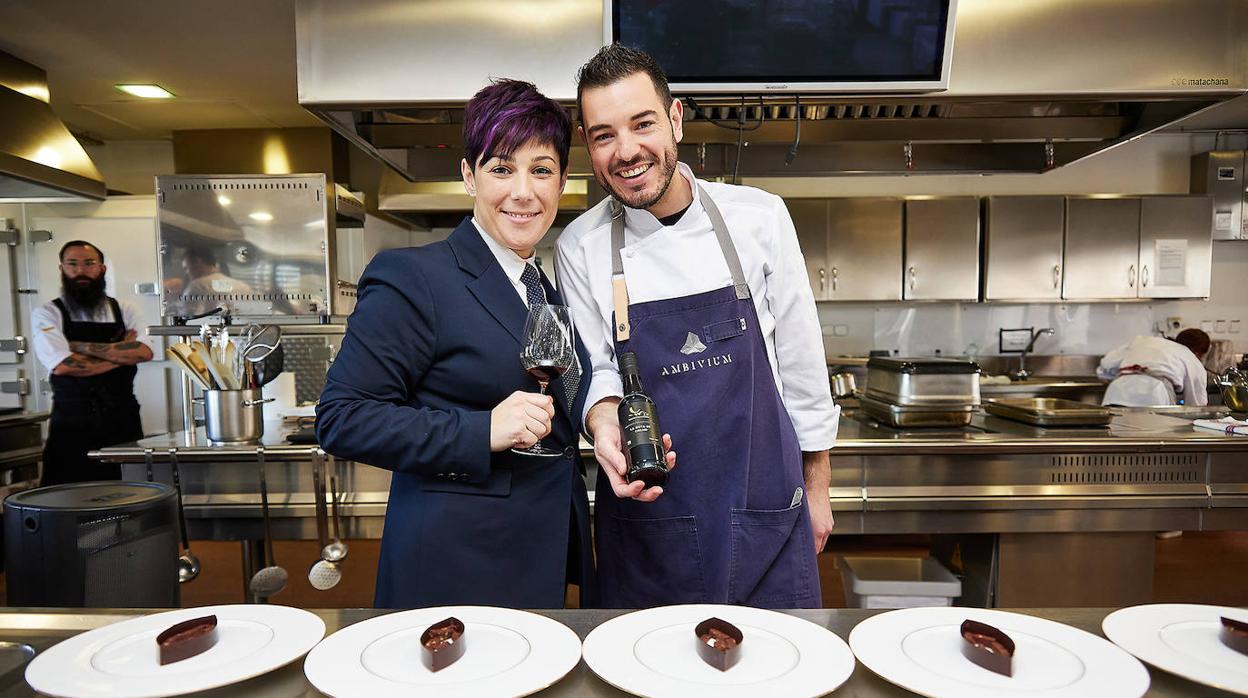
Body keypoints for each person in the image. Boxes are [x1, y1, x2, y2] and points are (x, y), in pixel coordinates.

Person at [555, 45, 839, 609]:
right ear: (589, 146)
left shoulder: (759, 218)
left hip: (767, 512)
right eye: (604, 134)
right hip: (649, 524)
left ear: (676, 119)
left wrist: (818, 490)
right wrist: (602, 419)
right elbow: (599, 373)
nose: (627, 150)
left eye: (643, 124)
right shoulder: (579, 246)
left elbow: (804, 366)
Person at [317, 79, 597, 609]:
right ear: (469, 176)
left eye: (541, 170)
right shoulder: (415, 276)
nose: (523, 191)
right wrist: (482, 429)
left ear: (562, 182)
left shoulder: (547, 288)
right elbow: (342, 417)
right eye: (501, 168)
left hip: (539, 555)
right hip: (458, 564)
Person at [31, 241, 155, 486]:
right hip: (71, 425)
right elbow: (64, 366)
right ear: (62, 269)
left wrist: (75, 345)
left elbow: (144, 351)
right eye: (72, 264)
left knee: (129, 494)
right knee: (67, 499)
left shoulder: (126, 309)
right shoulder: (47, 313)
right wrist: (120, 356)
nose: (81, 271)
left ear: (102, 269)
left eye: (89, 263)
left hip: (122, 422)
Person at [1098, 329, 1211, 407]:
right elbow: (1196, 405)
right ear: (1198, 353)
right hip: (1154, 394)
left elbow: (1106, 364)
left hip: (1117, 391)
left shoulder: (1143, 341)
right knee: (1153, 438)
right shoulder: (1191, 358)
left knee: (1118, 436)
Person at [180, 246, 254, 314]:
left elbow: (186, 318)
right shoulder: (244, 286)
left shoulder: (197, 286)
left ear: (198, 262)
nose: (186, 273)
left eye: (186, 268)